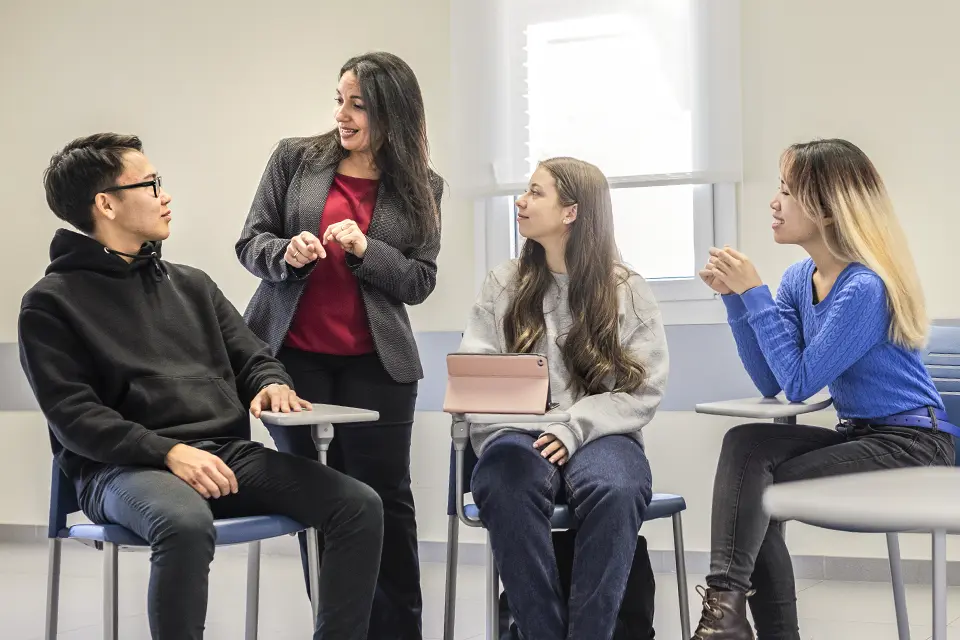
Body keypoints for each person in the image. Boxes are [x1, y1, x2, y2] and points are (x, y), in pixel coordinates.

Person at [19, 133, 384, 640]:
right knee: (185, 523)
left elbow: (252, 358)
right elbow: (76, 417)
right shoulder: (50, 303)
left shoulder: (191, 285)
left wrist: (271, 382)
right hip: (121, 469)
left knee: (358, 504)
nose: (164, 195)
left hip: (223, 455)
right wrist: (169, 452)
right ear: (105, 204)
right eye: (150, 184)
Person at [693, 139, 956, 640]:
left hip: (915, 445)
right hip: (861, 435)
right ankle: (726, 615)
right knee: (744, 444)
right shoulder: (799, 278)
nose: (775, 201)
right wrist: (735, 301)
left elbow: (798, 384)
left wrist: (753, 292)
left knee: (755, 483)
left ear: (829, 208)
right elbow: (772, 381)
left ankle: (733, 621)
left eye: (788, 191)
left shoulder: (865, 288)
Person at [236, 51, 442, 639]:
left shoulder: (423, 186)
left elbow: (419, 280)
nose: (342, 115)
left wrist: (364, 251)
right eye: (339, 100)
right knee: (321, 503)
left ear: (392, 114)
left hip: (379, 364)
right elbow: (250, 243)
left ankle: (399, 632)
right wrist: (285, 254)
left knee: (388, 503)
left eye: (357, 105)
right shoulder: (295, 158)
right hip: (291, 359)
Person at [459, 157, 669, 640]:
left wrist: (573, 427)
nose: (521, 201)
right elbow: (478, 376)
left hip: (601, 435)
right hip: (516, 435)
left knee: (617, 489)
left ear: (571, 211)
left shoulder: (626, 290)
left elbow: (642, 389)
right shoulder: (503, 283)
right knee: (503, 482)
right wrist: (509, 425)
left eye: (535, 192)